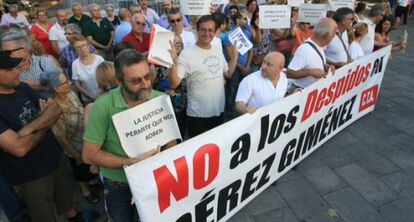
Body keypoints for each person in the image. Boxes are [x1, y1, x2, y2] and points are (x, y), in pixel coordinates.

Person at [82, 49, 166, 222]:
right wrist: (132, 163)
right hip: (119, 184)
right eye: (136, 80)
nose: (145, 84)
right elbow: (89, 155)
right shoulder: (102, 106)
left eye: (147, 76)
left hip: (156, 179)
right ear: (118, 81)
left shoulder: (160, 99)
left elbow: (171, 143)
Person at [0, 51, 84, 222]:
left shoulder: (22, 88)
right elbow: (19, 148)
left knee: (69, 205)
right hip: (31, 177)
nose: (19, 72)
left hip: (56, 161)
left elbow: (56, 109)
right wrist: (44, 120)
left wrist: (26, 130)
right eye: (11, 69)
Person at [169, 15, 239, 137]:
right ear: (197, 30)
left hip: (218, 111)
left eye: (210, 30)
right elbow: (174, 83)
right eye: (203, 30)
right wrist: (174, 62)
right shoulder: (187, 53)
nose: (207, 33)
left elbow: (228, 73)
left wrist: (235, 55)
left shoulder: (217, 50)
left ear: (215, 31)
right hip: (197, 116)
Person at [39, 68, 100, 205]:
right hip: (74, 146)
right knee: (80, 170)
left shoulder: (71, 94)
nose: (69, 83)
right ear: (56, 89)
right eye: (65, 82)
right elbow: (61, 138)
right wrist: (77, 155)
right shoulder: (53, 109)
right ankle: (86, 191)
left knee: (90, 166)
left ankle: (93, 180)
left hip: (87, 139)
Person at [286, 18, 337, 90]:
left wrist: (326, 67)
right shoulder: (305, 50)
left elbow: (311, 63)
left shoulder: (319, 46)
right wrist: (311, 72)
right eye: (333, 35)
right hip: (301, 93)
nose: (333, 37)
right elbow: (289, 73)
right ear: (326, 36)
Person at [153, 35, 187, 137]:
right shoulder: (158, 64)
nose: (175, 45)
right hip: (163, 109)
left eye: (178, 43)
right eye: (173, 43)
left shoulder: (185, 62)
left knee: (180, 135)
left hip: (181, 108)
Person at [223, 12, 254, 119]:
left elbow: (251, 50)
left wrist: (248, 66)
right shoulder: (228, 35)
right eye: (244, 19)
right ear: (237, 20)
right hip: (235, 70)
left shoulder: (248, 33)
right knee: (232, 93)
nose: (247, 21)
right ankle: (229, 117)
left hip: (246, 68)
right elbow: (231, 56)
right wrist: (242, 68)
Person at [71, 34, 104, 104]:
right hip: (88, 100)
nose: (82, 49)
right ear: (75, 50)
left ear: (88, 45)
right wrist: (91, 96)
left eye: (83, 45)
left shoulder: (99, 59)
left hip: (104, 95)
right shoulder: (75, 64)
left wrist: (101, 93)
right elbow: (78, 85)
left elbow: (106, 77)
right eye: (78, 47)